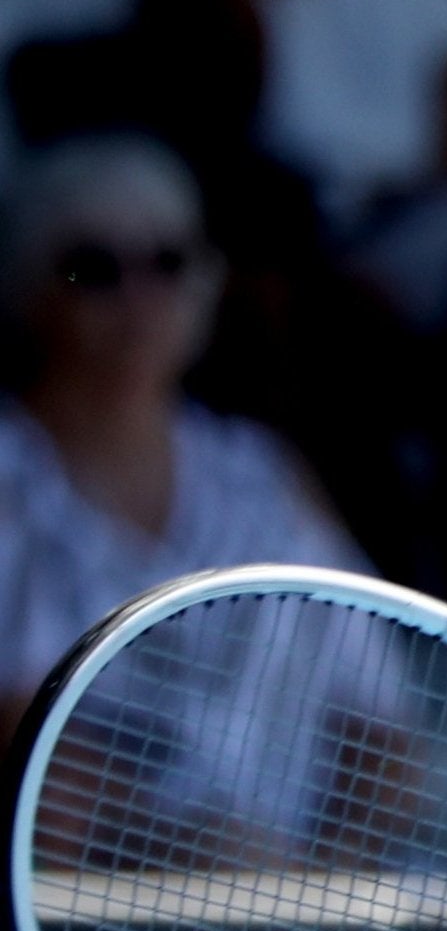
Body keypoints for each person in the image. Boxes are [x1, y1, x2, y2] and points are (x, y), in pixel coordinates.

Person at [0, 133, 367, 740]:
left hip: (285, 838)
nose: (138, 298)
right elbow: (25, 741)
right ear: (29, 287)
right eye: (94, 269)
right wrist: (192, 836)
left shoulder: (263, 472)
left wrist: (329, 842)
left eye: (168, 262)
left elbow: (388, 730)